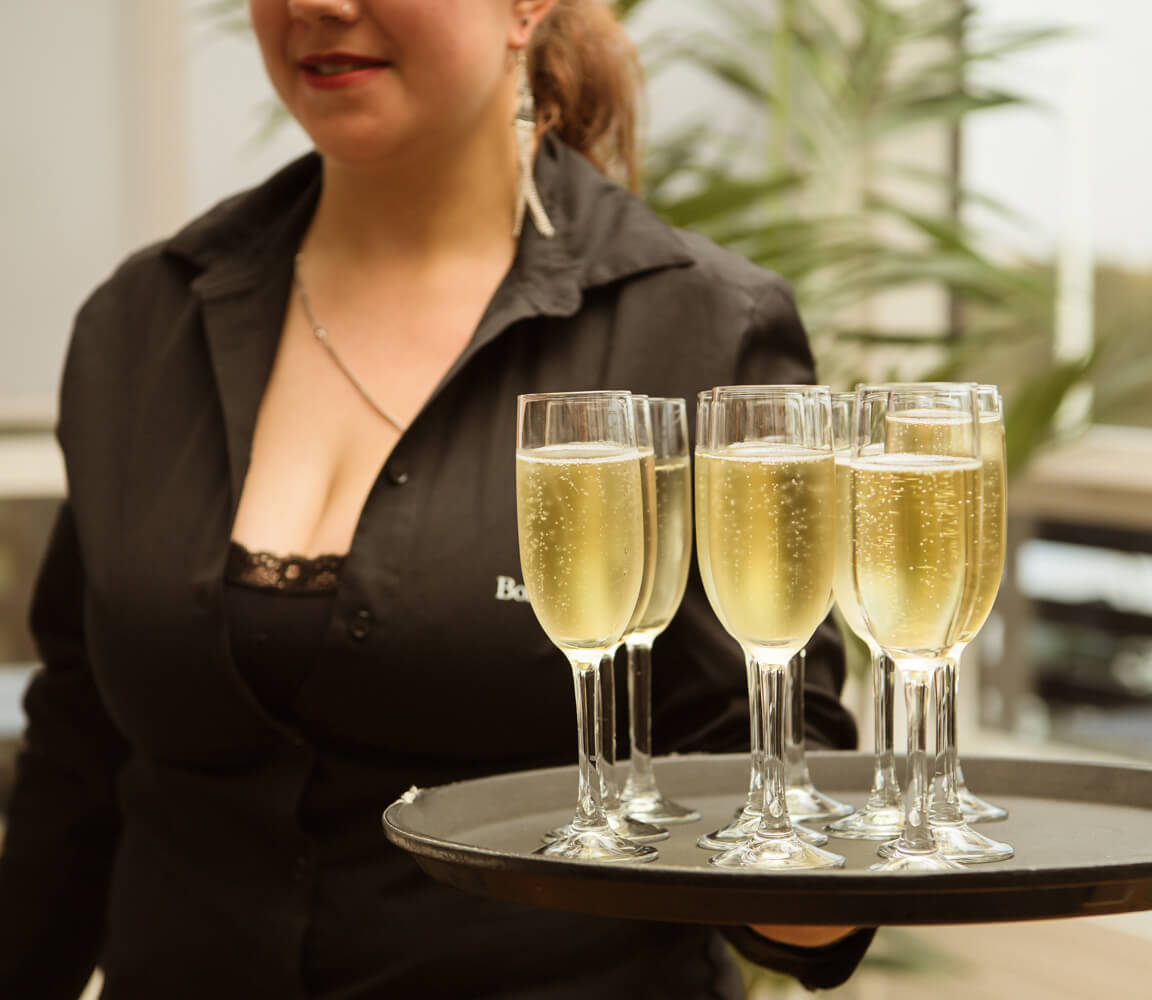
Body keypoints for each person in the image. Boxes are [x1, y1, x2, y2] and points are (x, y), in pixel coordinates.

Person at [0, 0, 872, 996]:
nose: (319, 4)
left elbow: (778, 801)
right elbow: (79, 753)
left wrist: (865, 844)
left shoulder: (695, 328)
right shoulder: (141, 320)